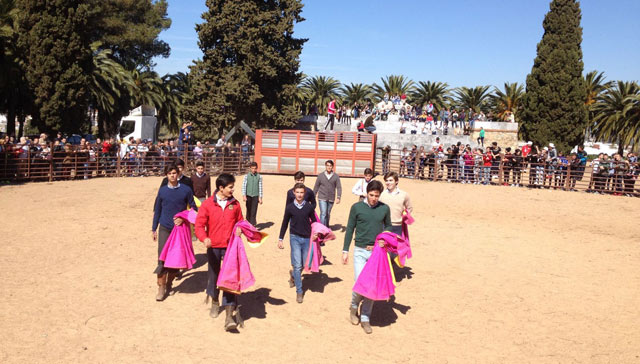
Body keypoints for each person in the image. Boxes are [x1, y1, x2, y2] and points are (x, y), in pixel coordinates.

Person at [195, 173, 244, 331]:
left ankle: (229, 315)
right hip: (214, 246)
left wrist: (239, 230)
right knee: (214, 275)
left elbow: (240, 222)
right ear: (221, 188)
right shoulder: (208, 204)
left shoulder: (235, 204)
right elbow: (199, 225)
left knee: (230, 278)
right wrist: (204, 238)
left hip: (230, 247)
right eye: (230, 187)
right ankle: (215, 301)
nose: (233, 189)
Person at [342, 180, 391, 334]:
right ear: (366, 193)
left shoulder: (384, 209)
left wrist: (384, 239)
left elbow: (388, 227)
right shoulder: (356, 208)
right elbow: (350, 228)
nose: (374, 198)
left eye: (377, 195)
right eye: (371, 195)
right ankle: (354, 306)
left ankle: (365, 317)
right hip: (360, 250)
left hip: (376, 252)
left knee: (371, 286)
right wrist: (345, 250)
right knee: (360, 282)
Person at [151, 164, 197, 301]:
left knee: (175, 258)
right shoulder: (162, 191)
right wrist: (154, 228)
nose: (172, 175)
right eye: (170, 173)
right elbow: (157, 210)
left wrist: (183, 218)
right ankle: (161, 287)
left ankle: (169, 283)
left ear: (178, 174)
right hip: (165, 227)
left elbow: (193, 209)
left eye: (174, 173)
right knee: (162, 258)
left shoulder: (186, 190)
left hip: (179, 229)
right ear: (166, 175)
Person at [278, 183, 318, 303]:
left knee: (305, 263)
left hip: (307, 238)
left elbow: (315, 222)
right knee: (297, 264)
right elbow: (285, 222)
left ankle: (293, 274)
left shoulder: (309, 207)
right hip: (294, 237)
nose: (299, 195)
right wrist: (280, 238)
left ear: (304, 193)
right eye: (297, 192)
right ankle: (299, 291)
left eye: (302, 192)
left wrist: (316, 233)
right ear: (293, 193)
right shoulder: (290, 207)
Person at [379, 172, 413, 236]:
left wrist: (404, 216)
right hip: (384, 225)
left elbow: (409, 208)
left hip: (398, 226)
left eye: (391, 180)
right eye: (386, 181)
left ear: (396, 181)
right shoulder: (381, 195)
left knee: (397, 245)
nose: (388, 183)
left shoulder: (404, 195)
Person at [313, 160, 342, 228]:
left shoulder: (336, 176)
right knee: (323, 213)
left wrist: (338, 197)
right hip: (322, 197)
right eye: (327, 165)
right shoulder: (320, 176)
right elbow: (316, 186)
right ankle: (322, 228)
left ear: (332, 167)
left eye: (330, 166)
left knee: (327, 213)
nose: (329, 167)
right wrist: (313, 196)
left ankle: (326, 226)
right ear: (325, 166)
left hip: (331, 198)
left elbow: (339, 187)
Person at [242, 161, 263, 226]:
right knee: (248, 210)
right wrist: (244, 195)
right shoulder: (246, 176)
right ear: (250, 168)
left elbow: (260, 187)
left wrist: (260, 197)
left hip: (255, 196)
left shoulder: (259, 176)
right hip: (248, 195)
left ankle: (252, 224)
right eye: (252, 168)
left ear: (257, 168)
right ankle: (248, 223)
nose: (254, 170)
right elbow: (244, 186)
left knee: (254, 211)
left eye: (255, 168)